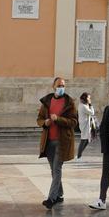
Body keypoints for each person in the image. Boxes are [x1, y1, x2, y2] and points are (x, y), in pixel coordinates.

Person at [37, 77, 78, 209]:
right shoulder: (46, 102)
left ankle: (51, 198)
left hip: (62, 141)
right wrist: (45, 122)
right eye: (59, 85)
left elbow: (73, 122)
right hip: (48, 141)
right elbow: (39, 119)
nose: (61, 87)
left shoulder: (69, 102)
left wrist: (59, 119)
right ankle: (60, 194)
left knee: (57, 169)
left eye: (63, 85)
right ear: (53, 86)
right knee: (53, 170)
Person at [78, 92, 96, 159]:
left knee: (87, 140)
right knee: (83, 140)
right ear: (85, 98)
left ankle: (79, 155)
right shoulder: (83, 106)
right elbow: (92, 112)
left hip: (86, 125)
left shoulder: (84, 105)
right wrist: (90, 104)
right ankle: (79, 156)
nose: (89, 99)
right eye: (89, 98)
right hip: (85, 126)